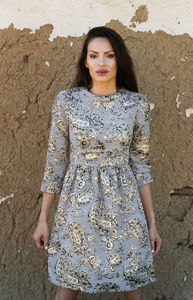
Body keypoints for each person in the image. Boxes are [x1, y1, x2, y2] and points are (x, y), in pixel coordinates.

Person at [33, 26, 162, 300]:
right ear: (85, 61)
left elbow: (141, 165)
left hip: (125, 206)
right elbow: (55, 161)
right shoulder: (66, 101)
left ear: (119, 60)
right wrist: (43, 218)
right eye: (94, 55)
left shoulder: (136, 105)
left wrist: (152, 223)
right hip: (76, 206)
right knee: (68, 282)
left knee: (133, 280)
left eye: (109, 55)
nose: (101, 63)